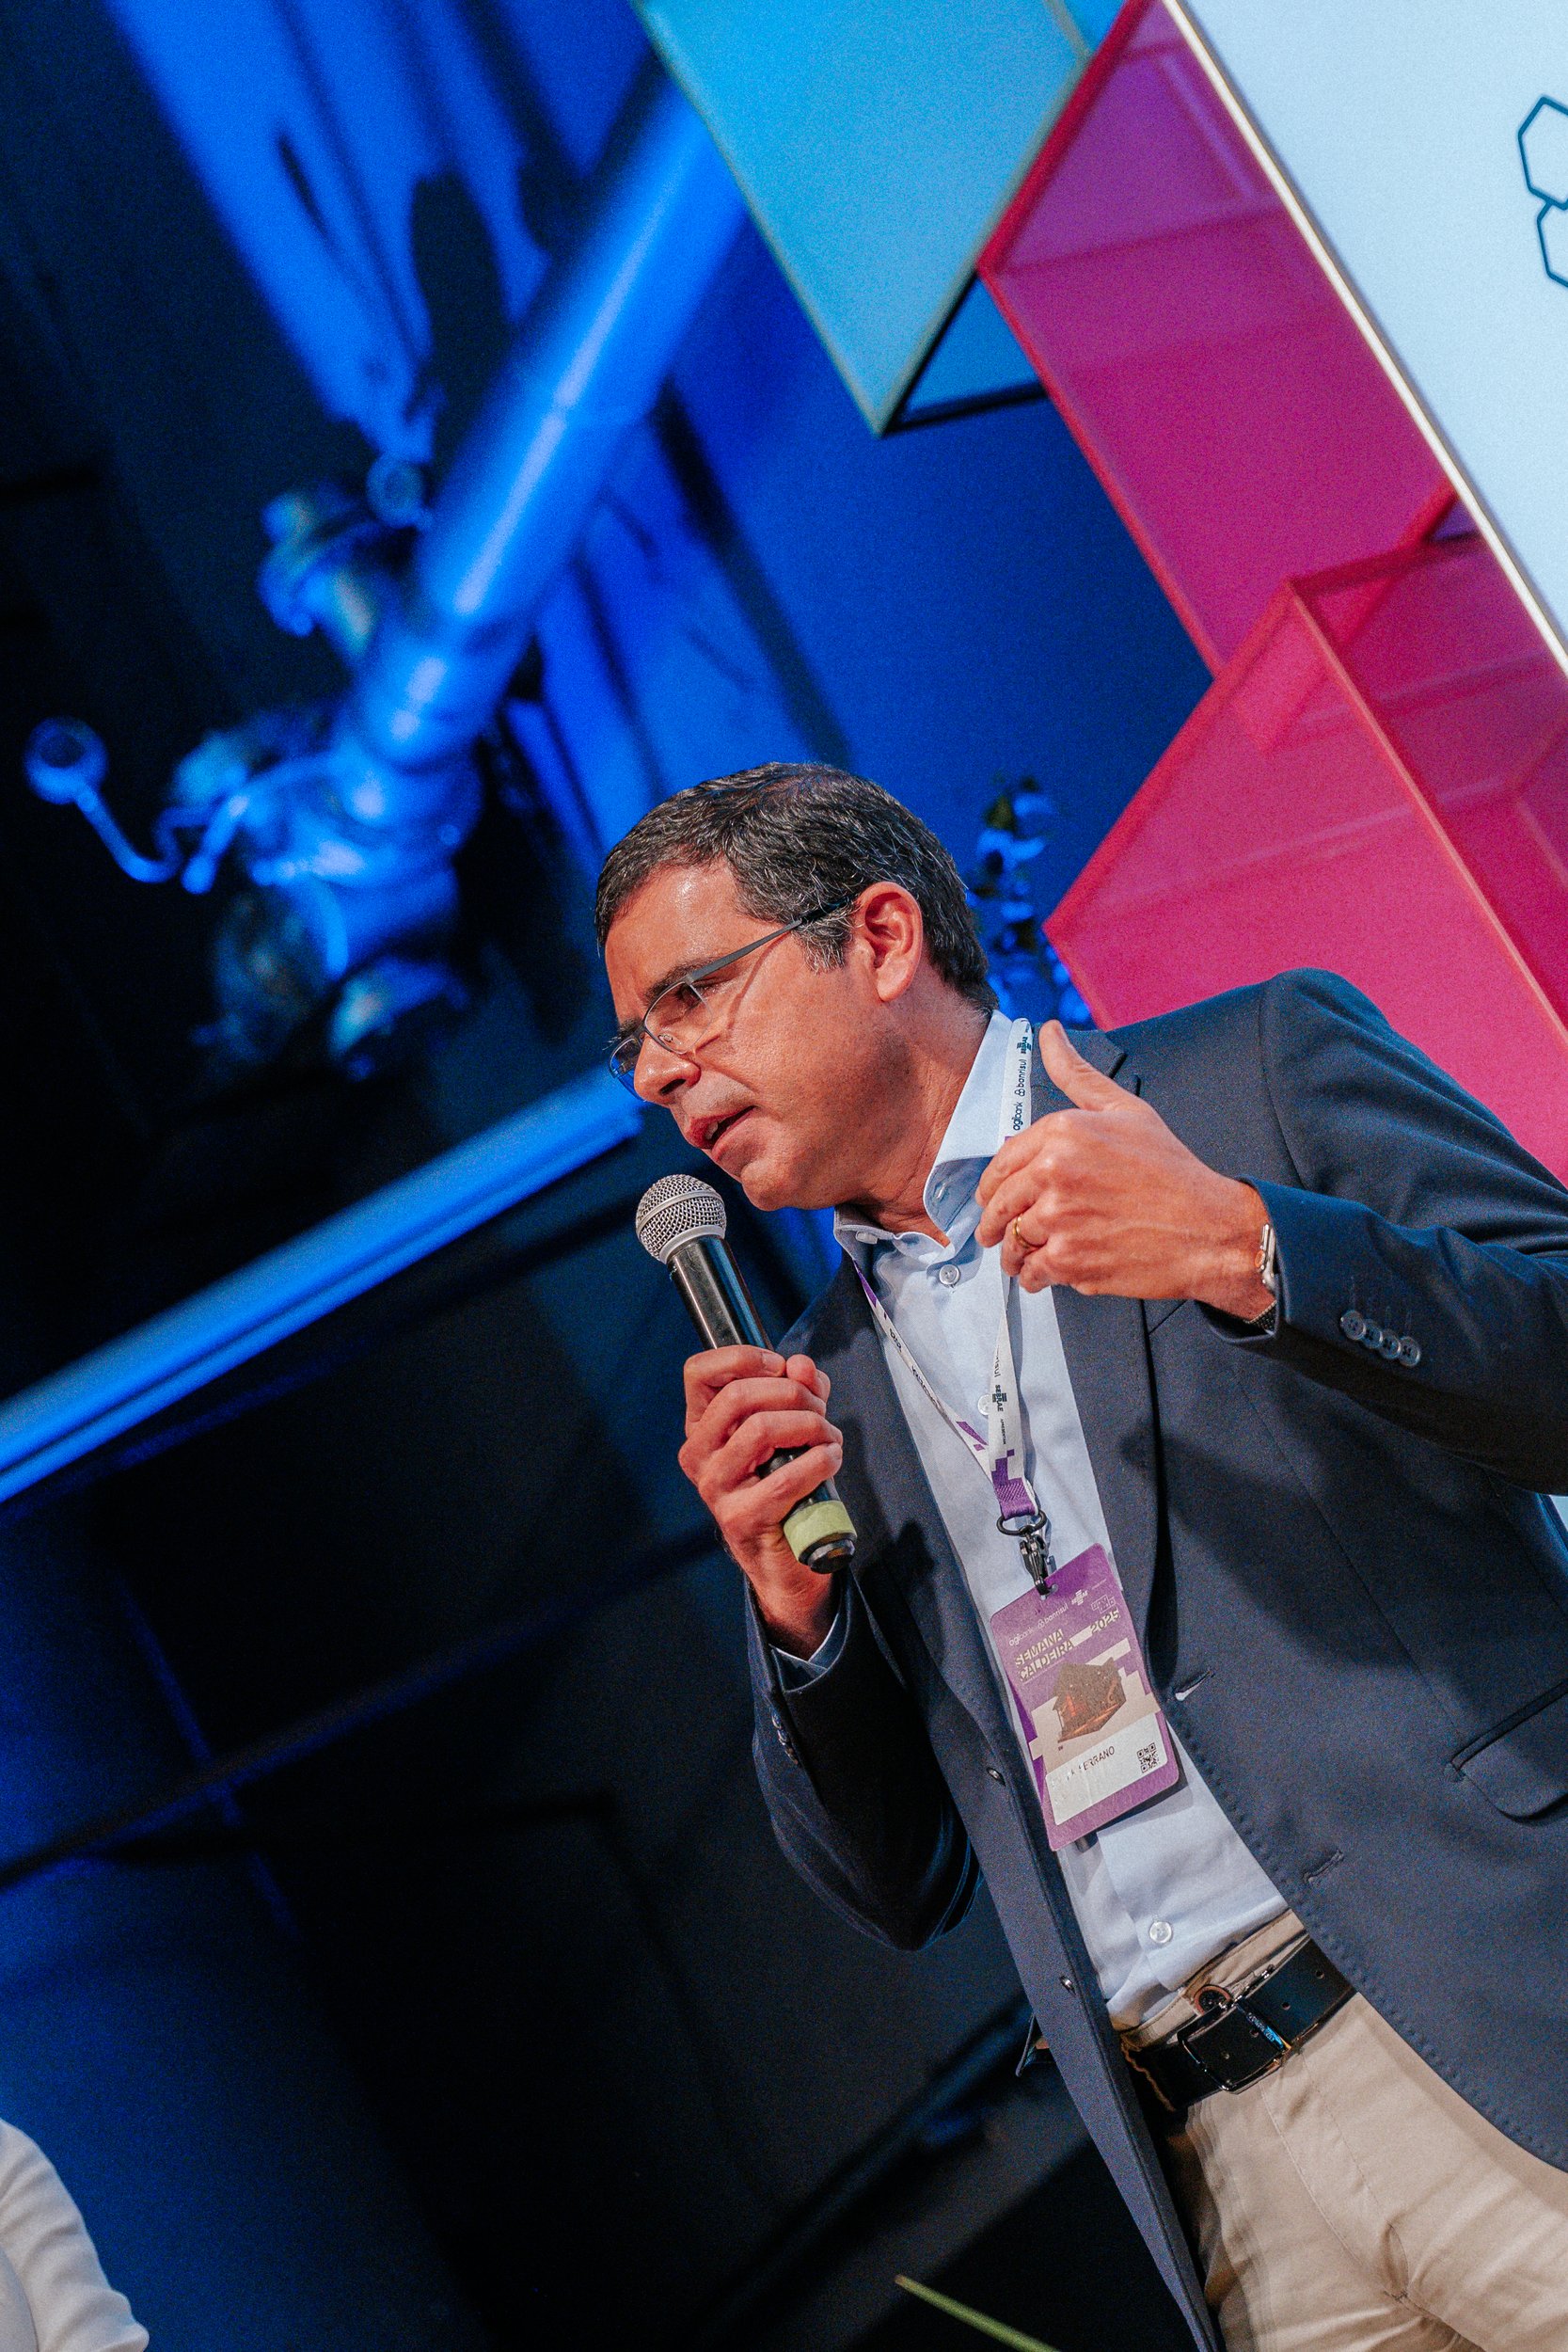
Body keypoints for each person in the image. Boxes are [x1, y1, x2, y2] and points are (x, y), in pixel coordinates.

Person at [596, 763, 1568, 2352]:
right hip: (1228, 2189)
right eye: (634, 1042)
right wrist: (795, 1615)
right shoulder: (820, 1391)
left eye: (690, 997)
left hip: (1496, 2027)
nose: (658, 1072)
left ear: (881, 936)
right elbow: (897, 1884)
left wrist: (1253, 1252)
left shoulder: (1245, 1080)